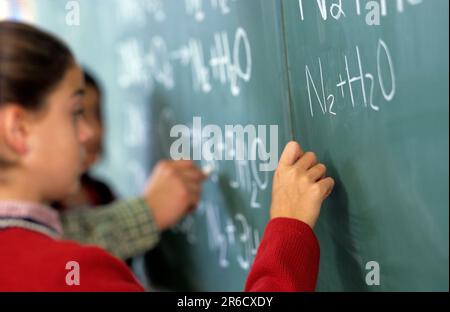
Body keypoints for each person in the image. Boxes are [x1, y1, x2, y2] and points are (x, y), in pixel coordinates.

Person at [0, 21, 334, 292]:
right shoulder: (70, 275)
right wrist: (289, 231)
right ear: (19, 130)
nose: (87, 134)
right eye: (75, 112)